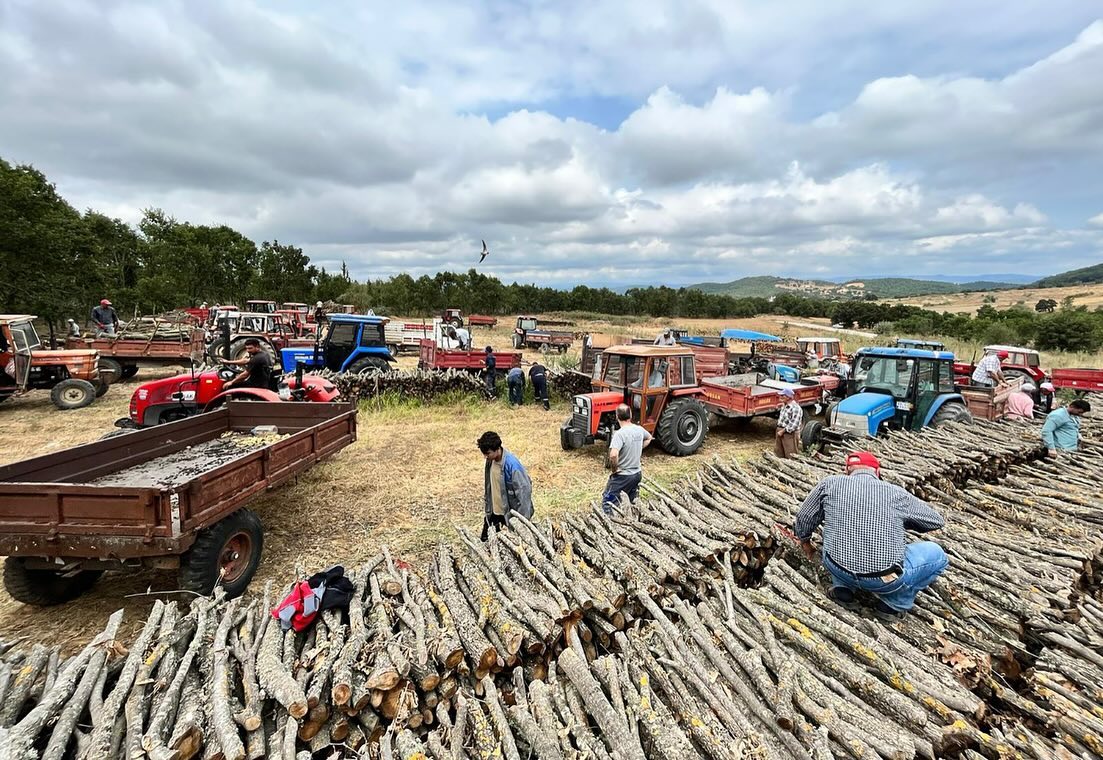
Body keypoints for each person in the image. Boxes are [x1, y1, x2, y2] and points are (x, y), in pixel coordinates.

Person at [794, 451, 947, 617]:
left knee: (840, 537)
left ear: (847, 470)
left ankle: (842, 589)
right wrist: (905, 521)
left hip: (835, 566)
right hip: (883, 579)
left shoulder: (830, 483)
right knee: (938, 555)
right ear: (877, 472)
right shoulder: (895, 492)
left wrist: (806, 543)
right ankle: (893, 603)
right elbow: (935, 521)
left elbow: (804, 517)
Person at [478, 431, 534, 540]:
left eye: (488, 453)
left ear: (497, 448)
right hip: (494, 513)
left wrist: (522, 523)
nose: (485, 456)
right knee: (486, 541)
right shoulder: (490, 461)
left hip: (508, 515)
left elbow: (524, 495)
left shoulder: (513, 466)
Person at [602, 404, 652, 513]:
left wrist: (614, 470)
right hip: (637, 474)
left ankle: (610, 525)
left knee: (608, 501)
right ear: (630, 415)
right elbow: (649, 438)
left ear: (617, 416)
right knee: (632, 501)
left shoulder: (619, 434)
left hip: (623, 476)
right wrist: (638, 448)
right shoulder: (639, 429)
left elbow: (613, 454)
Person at [775, 388, 803, 458]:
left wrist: (782, 431)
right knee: (779, 453)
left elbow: (794, 424)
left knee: (791, 455)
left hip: (790, 434)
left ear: (788, 397)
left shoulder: (795, 408)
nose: (780, 397)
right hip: (780, 431)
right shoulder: (784, 406)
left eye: (782, 395)